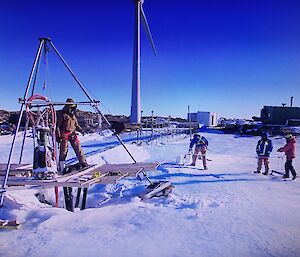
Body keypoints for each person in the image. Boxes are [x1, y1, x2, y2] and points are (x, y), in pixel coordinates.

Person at [56, 98, 87, 171]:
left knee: (78, 148)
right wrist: (58, 136)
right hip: (64, 133)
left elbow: (76, 125)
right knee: (63, 151)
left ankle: (83, 163)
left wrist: (81, 130)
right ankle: (62, 166)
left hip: (72, 134)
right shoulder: (62, 115)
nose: (73, 109)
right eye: (71, 107)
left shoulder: (73, 116)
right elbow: (57, 126)